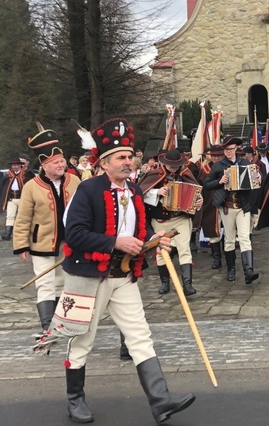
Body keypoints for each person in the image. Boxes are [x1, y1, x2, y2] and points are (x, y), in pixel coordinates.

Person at [52, 118, 195, 424]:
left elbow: (138, 233)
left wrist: (153, 243)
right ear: (104, 163)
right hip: (87, 276)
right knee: (82, 339)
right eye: (121, 157)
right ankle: (75, 399)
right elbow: (73, 233)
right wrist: (116, 241)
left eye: (130, 156)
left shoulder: (134, 189)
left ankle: (160, 400)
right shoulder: (87, 190)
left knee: (140, 335)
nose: (129, 161)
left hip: (124, 276)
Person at [13, 126, 80, 331]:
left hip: (69, 242)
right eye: (56, 162)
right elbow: (23, 218)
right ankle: (46, 327)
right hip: (41, 242)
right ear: (45, 165)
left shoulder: (74, 181)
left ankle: (62, 323)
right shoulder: (32, 186)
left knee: (64, 282)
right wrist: (21, 245)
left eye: (62, 160)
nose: (62, 165)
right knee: (44, 283)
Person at [140, 149, 204, 296]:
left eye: (176, 165)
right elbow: (140, 193)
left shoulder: (186, 174)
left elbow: (196, 194)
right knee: (162, 252)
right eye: (171, 166)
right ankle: (165, 283)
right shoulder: (154, 174)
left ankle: (187, 285)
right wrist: (156, 192)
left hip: (181, 218)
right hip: (160, 220)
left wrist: (198, 201)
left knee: (184, 249)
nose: (174, 168)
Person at [202, 136, 261, 283]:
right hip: (227, 206)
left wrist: (257, 178)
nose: (228, 152)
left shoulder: (244, 163)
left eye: (231, 149)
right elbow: (206, 184)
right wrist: (219, 181)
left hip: (243, 205)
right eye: (226, 150)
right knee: (229, 239)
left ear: (236, 149)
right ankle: (231, 270)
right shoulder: (218, 166)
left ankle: (249, 270)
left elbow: (254, 182)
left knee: (244, 237)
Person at [197, 145, 225, 269]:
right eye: (214, 155)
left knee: (228, 229)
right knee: (213, 231)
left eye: (219, 155)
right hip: (210, 204)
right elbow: (200, 186)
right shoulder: (205, 169)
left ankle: (228, 254)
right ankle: (216, 257)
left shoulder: (228, 168)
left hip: (226, 203)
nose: (216, 158)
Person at [1, 158, 35, 241]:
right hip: (11, 199)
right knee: (10, 216)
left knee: (24, 216)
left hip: (22, 199)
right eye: (13, 165)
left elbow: (32, 185)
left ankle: (24, 233)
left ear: (20, 165)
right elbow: (3, 187)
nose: (15, 167)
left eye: (16, 165)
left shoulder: (26, 174)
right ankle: (8, 233)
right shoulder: (8, 175)